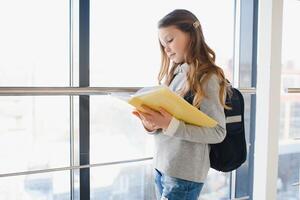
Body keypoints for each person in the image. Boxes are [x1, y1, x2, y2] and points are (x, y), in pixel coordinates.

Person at [132, 9, 230, 200]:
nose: (166, 49)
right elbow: (168, 123)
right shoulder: (175, 73)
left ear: (191, 36)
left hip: (183, 175)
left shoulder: (208, 77)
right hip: (163, 166)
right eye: (162, 44)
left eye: (169, 40)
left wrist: (169, 124)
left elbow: (218, 132)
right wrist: (152, 124)